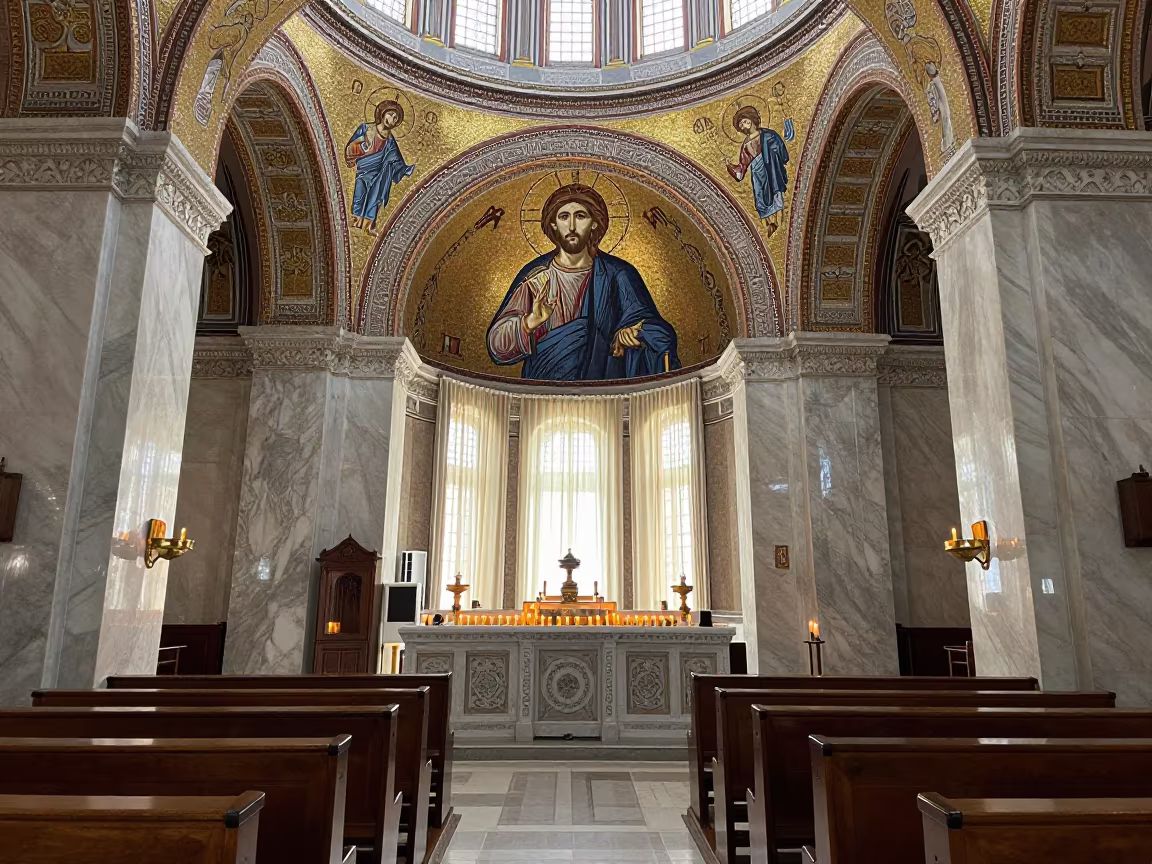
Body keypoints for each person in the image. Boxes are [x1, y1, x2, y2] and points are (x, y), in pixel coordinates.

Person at [486, 183, 680, 381]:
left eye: (580, 216)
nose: (571, 226)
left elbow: (661, 333)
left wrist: (633, 333)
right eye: (563, 217)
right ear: (553, 224)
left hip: (606, 395)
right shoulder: (536, 278)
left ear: (594, 223)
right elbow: (497, 347)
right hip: (541, 393)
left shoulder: (619, 274)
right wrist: (528, 323)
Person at [344, 100, 415, 234]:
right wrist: (362, 147)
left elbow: (396, 158)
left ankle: (369, 225)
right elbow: (350, 147)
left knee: (375, 197)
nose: (391, 119)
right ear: (383, 114)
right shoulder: (367, 128)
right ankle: (356, 219)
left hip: (379, 172)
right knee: (360, 192)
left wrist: (404, 169)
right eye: (390, 115)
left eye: (395, 118)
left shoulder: (390, 140)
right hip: (364, 168)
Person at [726, 105, 789, 237]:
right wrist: (730, 166)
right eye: (740, 125)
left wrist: (777, 157)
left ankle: (779, 221)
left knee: (776, 192)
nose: (743, 126)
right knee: (759, 196)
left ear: (751, 119)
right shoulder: (745, 144)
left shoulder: (767, 134)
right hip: (756, 171)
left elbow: (779, 147)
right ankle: (767, 225)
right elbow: (743, 165)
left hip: (770, 167)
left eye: (743, 121)